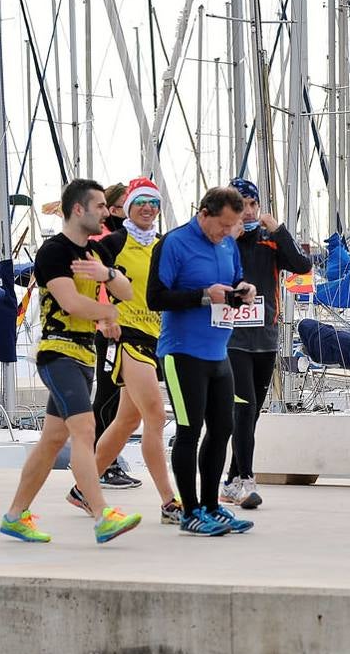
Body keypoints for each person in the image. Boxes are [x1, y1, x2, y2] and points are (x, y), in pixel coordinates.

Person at [0, 179, 143, 545]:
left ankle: (14, 516)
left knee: (52, 440)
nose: (105, 212)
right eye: (98, 206)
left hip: (83, 355)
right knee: (84, 429)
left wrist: (108, 275)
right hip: (58, 352)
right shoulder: (54, 251)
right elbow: (71, 303)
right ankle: (101, 515)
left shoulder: (94, 255)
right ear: (78, 209)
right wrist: (109, 311)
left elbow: (127, 290)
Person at [68, 178, 181, 524]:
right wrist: (104, 316)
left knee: (128, 418)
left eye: (154, 203)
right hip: (125, 336)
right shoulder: (115, 241)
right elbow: (87, 278)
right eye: (141, 202)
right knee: (156, 416)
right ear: (128, 207)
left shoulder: (165, 244)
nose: (148, 208)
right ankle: (168, 501)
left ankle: (82, 490)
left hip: (158, 337)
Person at [147, 186, 256, 537]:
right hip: (183, 352)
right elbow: (155, 297)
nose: (227, 232)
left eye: (232, 226)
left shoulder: (227, 244)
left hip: (217, 351)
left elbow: (232, 282)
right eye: (223, 225)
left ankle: (211, 505)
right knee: (189, 430)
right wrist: (201, 296)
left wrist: (243, 289)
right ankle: (189, 510)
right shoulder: (175, 243)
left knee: (223, 428)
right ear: (204, 213)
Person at [221, 178, 312, 510]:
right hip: (232, 338)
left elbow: (302, 266)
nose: (248, 211)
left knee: (253, 412)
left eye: (252, 204)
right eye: (240, 204)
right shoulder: (221, 239)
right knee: (243, 408)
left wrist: (279, 230)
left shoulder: (269, 240)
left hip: (265, 337)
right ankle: (245, 478)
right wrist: (229, 238)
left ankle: (231, 479)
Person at [91, 181, 142, 489]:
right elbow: (99, 285)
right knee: (108, 396)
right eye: (126, 205)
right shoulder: (107, 240)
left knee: (122, 399)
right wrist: (106, 316)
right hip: (108, 328)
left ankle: (106, 461)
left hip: (131, 328)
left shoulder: (125, 239)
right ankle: (103, 465)